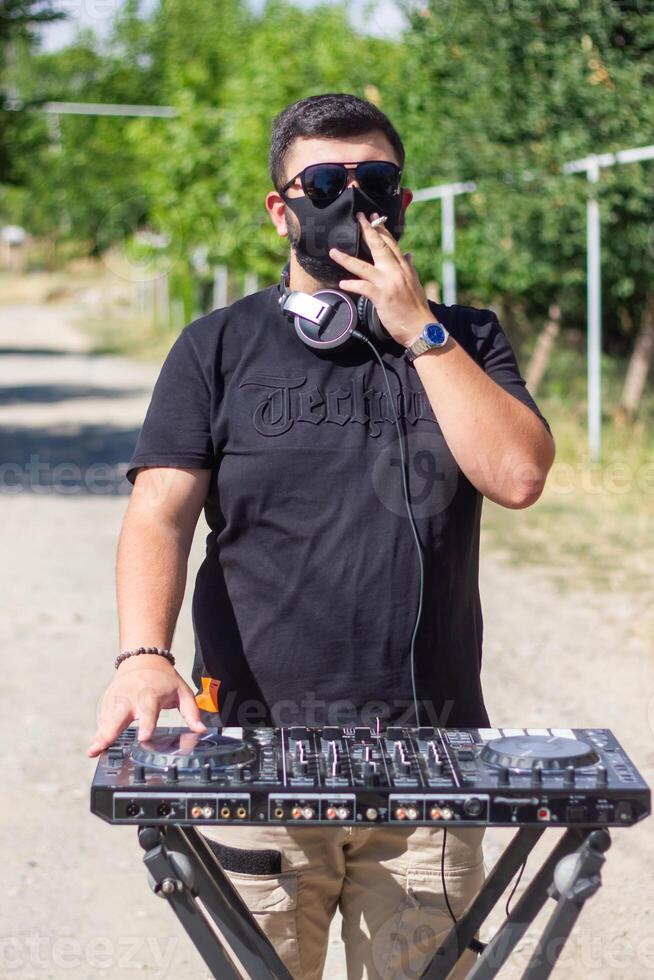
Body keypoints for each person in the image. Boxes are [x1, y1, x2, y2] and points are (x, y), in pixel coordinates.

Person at [87, 93, 555, 979]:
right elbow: (160, 511)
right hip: (255, 758)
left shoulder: (466, 338)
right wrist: (142, 652)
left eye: (374, 180)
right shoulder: (214, 347)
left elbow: (519, 477)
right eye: (325, 182)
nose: (352, 198)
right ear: (280, 208)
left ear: (404, 203)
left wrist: (421, 329)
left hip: (431, 758)